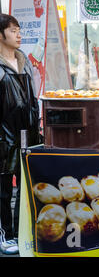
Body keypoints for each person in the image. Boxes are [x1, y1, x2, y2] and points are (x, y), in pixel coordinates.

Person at [0, 13, 40, 255]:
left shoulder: (24, 62)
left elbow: (32, 99)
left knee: (25, 187)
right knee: (4, 189)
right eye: (13, 30)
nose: (19, 34)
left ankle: (20, 232)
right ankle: (6, 234)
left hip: (28, 134)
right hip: (3, 137)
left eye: (19, 30)